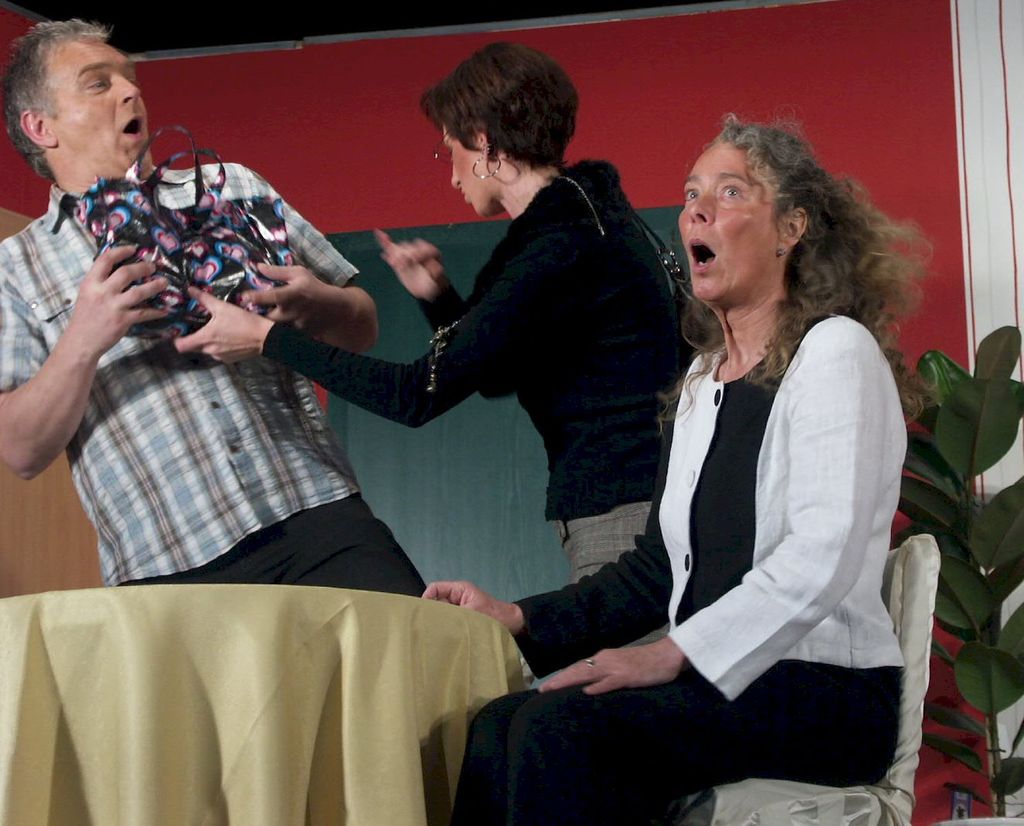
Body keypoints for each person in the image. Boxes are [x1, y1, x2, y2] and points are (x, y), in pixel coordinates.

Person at [420, 115, 926, 826]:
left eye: (730, 191)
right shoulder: (700, 384)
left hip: (825, 692)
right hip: (723, 683)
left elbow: (822, 554)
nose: (697, 210)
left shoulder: (835, 352)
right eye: (692, 194)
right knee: (498, 725)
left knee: (559, 731)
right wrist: (521, 617)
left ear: (791, 228)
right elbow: (655, 571)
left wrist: (674, 652)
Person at [174, 42, 683, 587]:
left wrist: (267, 338)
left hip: (625, 509)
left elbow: (413, 397)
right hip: (641, 495)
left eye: (449, 151)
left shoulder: (557, 244)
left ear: (483, 141)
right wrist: (438, 298)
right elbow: (496, 371)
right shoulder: (588, 216)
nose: (453, 177)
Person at [0, 20, 424, 595]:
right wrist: (84, 336)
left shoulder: (233, 189)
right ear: (40, 126)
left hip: (315, 512)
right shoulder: (14, 268)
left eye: (129, 78)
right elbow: (21, 451)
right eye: (99, 84)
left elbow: (362, 325)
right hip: (166, 564)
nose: (130, 91)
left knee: (412, 652)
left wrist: (316, 302)